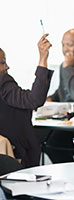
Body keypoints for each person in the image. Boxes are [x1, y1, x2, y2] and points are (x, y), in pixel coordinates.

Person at [0, 34, 53, 167]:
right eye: (3, 62)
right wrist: (43, 59)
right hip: (15, 155)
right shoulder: (2, 81)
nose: (7, 67)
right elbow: (33, 100)